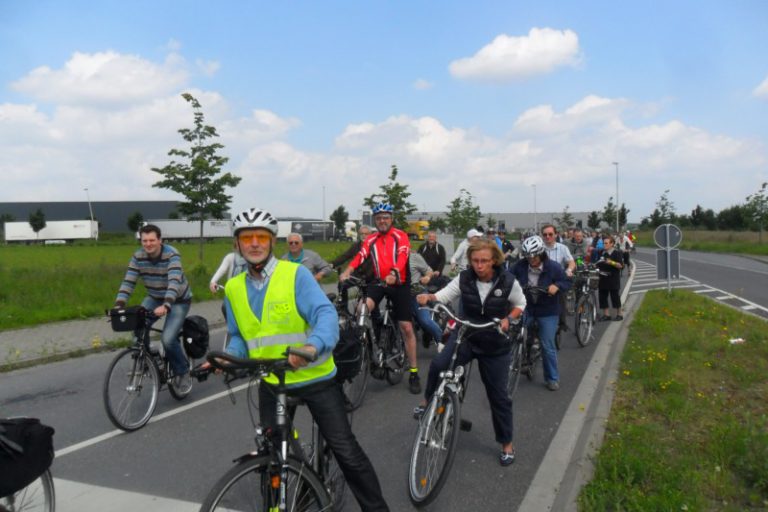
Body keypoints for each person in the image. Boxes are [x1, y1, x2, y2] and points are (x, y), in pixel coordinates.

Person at [222, 207, 390, 511]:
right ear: (237, 244)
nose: (255, 243)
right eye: (247, 238)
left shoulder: (295, 274)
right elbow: (238, 336)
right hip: (272, 380)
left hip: (314, 378)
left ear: (273, 241)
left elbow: (324, 314)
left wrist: (312, 347)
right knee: (271, 454)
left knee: (345, 450)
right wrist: (227, 359)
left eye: (261, 236)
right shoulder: (233, 287)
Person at [416, 238, 526, 466]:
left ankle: (506, 443)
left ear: (494, 260)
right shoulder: (465, 277)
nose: (479, 265)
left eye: (484, 261)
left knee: (499, 397)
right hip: (467, 335)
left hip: (494, 344)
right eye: (475, 260)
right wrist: (430, 297)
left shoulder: (508, 281)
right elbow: (446, 294)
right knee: (438, 365)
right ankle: (428, 402)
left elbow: (520, 304)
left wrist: (508, 319)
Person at [339, 202, 422, 394]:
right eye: (378, 218)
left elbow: (402, 256)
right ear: (375, 221)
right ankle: (374, 340)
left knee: (406, 327)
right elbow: (361, 255)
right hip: (379, 281)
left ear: (391, 218)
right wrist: (348, 271)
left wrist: (394, 272)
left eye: (385, 217)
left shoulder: (400, 235)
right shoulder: (371, 239)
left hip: (399, 282)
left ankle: (414, 372)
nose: (382, 221)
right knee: (362, 308)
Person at [114, 224, 192, 387]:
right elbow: (129, 281)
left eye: (152, 240)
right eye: (144, 241)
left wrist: (167, 305)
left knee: (168, 339)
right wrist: (119, 305)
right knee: (138, 330)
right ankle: (148, 358)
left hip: (178, 300)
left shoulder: (172, 254)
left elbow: (174, 282)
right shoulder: (138, 257)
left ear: (160, 240)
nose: (148, 244)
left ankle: (182, 370)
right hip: (155, 297)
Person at [511, 235, 570, 392]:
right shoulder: (520, 266)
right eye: (528, 256)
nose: (531, 260)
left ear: (541, 253)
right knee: (513, 333)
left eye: (534, 256)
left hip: (547, 310)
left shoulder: (554, 267)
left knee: (547, 344)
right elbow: (507, 278)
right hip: (527, 307)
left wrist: (557, 286)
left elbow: (566, 282)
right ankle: (519, 356)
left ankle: (552, 378)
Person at [541, 224, 575, 333]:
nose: (548, 237)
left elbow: (571, 262)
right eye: (545, 234)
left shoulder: (562, 248)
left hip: (557, 279)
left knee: (561, 299)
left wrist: (569, 270)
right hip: (542, 279)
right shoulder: (539, 248)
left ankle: (562, 323)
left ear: (556, 235)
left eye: (550, 234)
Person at [408, 251, 443, 347]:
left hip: (417, 293)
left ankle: (444, 343)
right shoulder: (389, 258)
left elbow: (429, 270)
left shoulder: (414, 257)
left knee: (424, 321)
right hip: (399, 295)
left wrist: (427, 276)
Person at [596, 235, 624, 321]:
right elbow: (598, 263)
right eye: (603, 243)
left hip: (613, 278)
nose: (604, 245)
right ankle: (606, 315)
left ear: (612, 244)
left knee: (615, 296)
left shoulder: (617, 253)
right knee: (602, 296)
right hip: (602, 277)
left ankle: (619, 314)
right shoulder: (601, 252)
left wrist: (611, 262)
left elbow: (621, 266)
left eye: (606, 243)